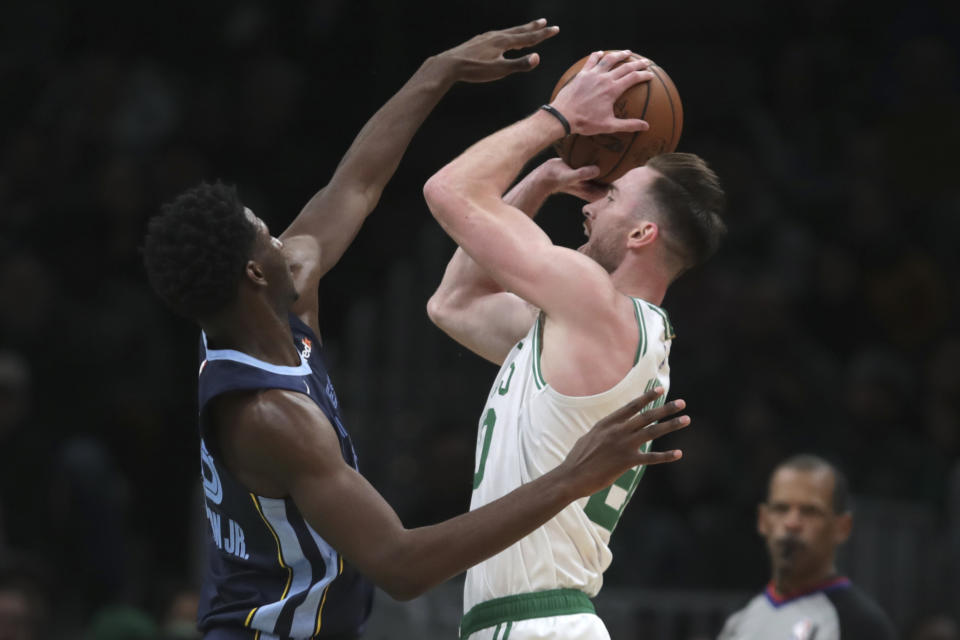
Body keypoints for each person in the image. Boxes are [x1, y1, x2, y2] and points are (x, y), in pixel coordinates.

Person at [142, 23, 692, 640]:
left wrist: (439, 69)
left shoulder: (279, 295)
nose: (285, 238)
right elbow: (401, 566)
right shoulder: (271, 416)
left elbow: (356, 183)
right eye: (267, 235)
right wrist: (571, 477)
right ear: (251, 273)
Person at [423, 50, 727, 639]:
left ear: (643, 233)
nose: (588, 205)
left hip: (541, 624)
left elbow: (447, 190)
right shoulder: (588, 329)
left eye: (610, 198)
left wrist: (557, 119)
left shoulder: (597, 307)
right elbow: (452, 303)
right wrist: (540, 181)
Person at [717, 454, 897, 640]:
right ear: (763, 520)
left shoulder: (862, 626)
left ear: (842, 527)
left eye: (810, 511)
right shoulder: (739, 617)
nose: (792, 523)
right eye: (781, 509)